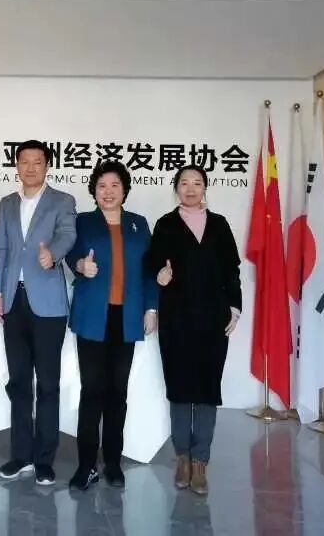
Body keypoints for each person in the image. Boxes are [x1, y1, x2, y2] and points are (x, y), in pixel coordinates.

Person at [149, 164, 241, 496]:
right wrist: (160, 275)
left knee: (206, 388)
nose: (190, 188)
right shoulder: (166, 224)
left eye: (197, 183)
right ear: (176, 188)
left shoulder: (219, 225)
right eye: (184, 183)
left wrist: (235, 307)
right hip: (176, 319)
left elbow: (232, 270)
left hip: (213, 319)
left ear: (205, 188)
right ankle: (183, 459)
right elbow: (152, 263)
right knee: (179, 388)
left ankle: (201, 461)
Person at [65, 160, 158, 490]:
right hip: (93, 317)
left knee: (118, 393)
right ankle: (86, 465)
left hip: (127, 317)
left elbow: (149, 270)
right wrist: (80, 265)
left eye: (115, 185)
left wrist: (151, 307)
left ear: (124, 190)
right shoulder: (83, 222)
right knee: (92, 391)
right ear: (94, 191)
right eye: (102, 186)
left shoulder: (138, 224)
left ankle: (114, 463)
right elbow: (71, 254)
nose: (108, 192)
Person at [0, 140, 77, 486]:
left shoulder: (62, 201)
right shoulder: (7, 204)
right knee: (19, 382)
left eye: (37, 162)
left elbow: (68, 234)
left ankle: (44, 459)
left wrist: (52, 254)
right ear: (17, 166)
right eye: (24, 162)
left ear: (47, 166)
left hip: (48, 304)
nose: (30, 168)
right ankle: (21, 455)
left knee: (48, 384)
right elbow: (1, 250)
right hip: (14, 301)